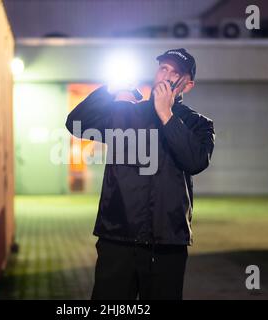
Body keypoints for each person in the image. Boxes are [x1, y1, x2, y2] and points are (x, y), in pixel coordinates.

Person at [65, 48, 215, 300]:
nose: (165, 76)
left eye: (174, 72)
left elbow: (195, 161)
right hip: (118, 236)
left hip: (167, 242)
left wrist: (166, 114)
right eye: (163, 68)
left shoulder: (198, 124)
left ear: (187, 85)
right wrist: (110, 89)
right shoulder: (128, 112)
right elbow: (76, 123)